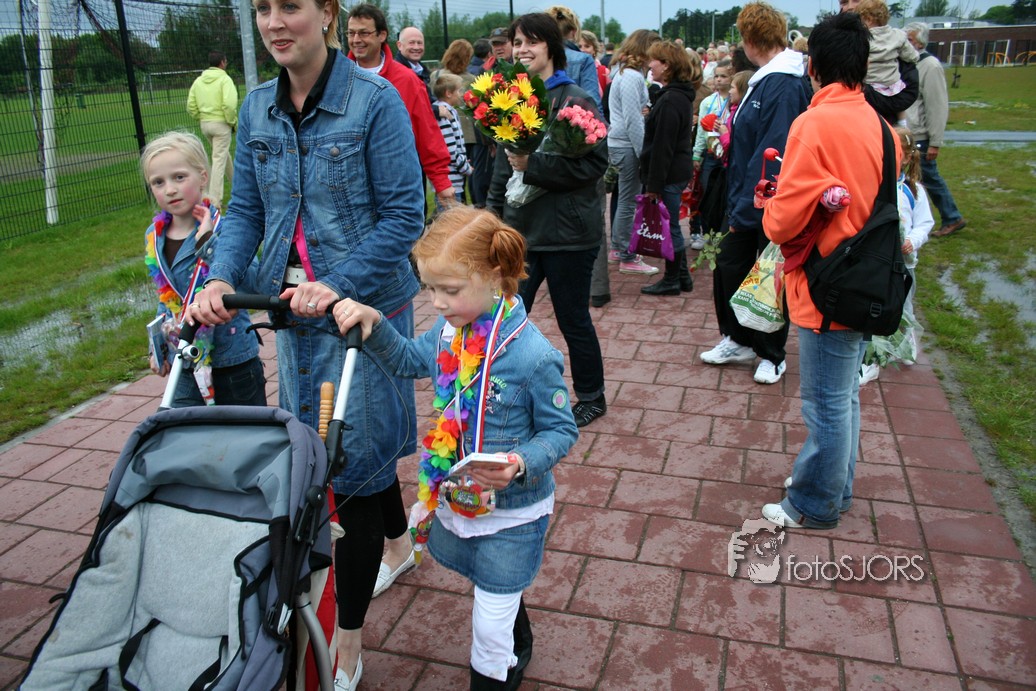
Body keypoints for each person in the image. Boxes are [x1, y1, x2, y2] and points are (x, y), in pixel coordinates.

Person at [188, 0, 425, 686]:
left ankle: (347, 642)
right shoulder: (258, 108)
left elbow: (404, 216)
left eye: (289, 5)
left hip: (361, 314)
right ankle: (400, 544)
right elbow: (245, 209)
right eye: (262, 7)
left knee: (349, 470)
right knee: (331, 455)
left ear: (326, 13)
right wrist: (222, 275)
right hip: (292, 316)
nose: (273, 21)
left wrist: (336, 284)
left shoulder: (374, 103)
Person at [331, 206, 579, 691]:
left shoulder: (532, 356)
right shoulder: (448, 333)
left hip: (513, 512)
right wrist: (375, 322)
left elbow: (561, 431)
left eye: (449, 289)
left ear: (495, 277)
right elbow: (408, 359)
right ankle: (515, 624)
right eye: (429, 289)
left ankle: (496, 667)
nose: (437, 302)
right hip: (462, 499)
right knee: (491, 581)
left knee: (488, 632)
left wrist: (520, 462)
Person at [759, 11, 902, 529]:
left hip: (828, 282)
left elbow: (782, 223)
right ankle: (834, 488)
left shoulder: (813, 124)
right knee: (843, 398)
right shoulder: (883, 128)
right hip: (870, 278)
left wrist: (771, 206)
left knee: (825, 404)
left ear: (814, 67)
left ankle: (814, 503)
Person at [486, 14, 609, 429]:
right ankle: (502, 391)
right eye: (517, 42)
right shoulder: (513, 98)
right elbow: (503, 168)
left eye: (531, 42)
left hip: (568, 236)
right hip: (521, 233)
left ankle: (591, 396)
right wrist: (491, 220)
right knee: (504, 316)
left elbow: (595, 166)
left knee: (572, 319)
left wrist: (533, 165)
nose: (522, 49)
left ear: (552, 47)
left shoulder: (576, 99)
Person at [699, 2, 810, 386]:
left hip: (766, 202)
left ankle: (771, 353)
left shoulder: (784, 82)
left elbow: (773, 151)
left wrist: (751, 206)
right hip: (746, 198)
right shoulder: (767, 78)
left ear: (750, 39)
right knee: (731, 265)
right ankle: (739, 338)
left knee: (768, 275)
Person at [141, 131, 265, 408]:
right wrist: (158, 347)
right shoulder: (155, 236)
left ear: (203, 177)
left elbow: (254, 283)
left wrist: (208, 242)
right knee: (182, 428)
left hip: (231, 359)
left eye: (179, 177)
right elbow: (168, 298)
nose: (169, 189)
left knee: (244, 431)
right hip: (185, 356)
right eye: (158, 182)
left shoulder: (228, 230)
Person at [346, 3, 455, 210]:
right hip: (350, 189)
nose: (356, 40)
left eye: (364, 33)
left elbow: (426, 131)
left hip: (398, 187)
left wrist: (441, 181)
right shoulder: (337, 78)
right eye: (351, 33)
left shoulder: (407, 79)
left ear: (382, 35)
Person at [859, 125, 932, 385]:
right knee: (875, 308)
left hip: (903, 264)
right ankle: (872, 360)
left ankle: (906, 339)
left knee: (904, 305)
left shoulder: (913, 191)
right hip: (876, 262)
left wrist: (913, 240)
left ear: (908, 157)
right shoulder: (871, 185)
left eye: (894, 152)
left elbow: (925, 223)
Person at [638, 40, 697, 297]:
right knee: (670, 224)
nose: (650, 64)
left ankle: (672, 279)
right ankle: (682, 277)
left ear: (667, 65)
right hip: (674, 171)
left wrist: (654, 185)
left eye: (655, 60)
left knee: (669, 227)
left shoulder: (671, 99)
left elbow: (663, 146)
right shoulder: (674, 96)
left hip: (669, 173)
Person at [604, 29, 661, 276]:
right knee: (628, 201)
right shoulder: (631, 76)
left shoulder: (626, 73)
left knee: (626, 199)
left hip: (622, 142)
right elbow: (632, 120)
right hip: (626, 144)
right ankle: (626, 254)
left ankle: (619, 248)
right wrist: (643, 153)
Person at [904, 21, 967, 238]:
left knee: (929, 178)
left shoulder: (930, 66)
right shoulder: (910, 64)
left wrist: (935, 142)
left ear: (920, 43)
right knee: (915, 178)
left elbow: (937, 106)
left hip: (921, 135)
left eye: (909, 40)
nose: (905, 44)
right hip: (909, 132)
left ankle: (952, 217)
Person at [186, 51, 237, 206]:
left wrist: (201, 117)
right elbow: (229, 105)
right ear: (222, 62)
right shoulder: (225, 79)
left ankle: (237, 184)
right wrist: (232, 122)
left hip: (205, 124)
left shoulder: (198, 81)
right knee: (218, 160)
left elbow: (191, 105)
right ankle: (214, 200)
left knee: (222, 155)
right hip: (221, 124)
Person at [855, 0, 918, 126]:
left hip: (870, 83)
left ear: (868, 20)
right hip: (892, 82)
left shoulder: (861, 38)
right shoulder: (897, 35)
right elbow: (911, 56)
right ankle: (902, 122)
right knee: (899, 101)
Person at [692, 57, 733, 242]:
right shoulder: (708, 102)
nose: (719, 80)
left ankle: (721, 233)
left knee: (724, 194)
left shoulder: (735, 101)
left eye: (723, 76)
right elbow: (701, 131)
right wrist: (696, 154)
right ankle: (706, 230)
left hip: (728, 154)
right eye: (716, 76)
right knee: (706, 192)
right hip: (710, 155)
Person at [545, 5, 603, 110]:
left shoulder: (539, 57)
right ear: (574, 32)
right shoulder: (584, 60)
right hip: (573, 118)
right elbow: (592, 104)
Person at [431, 72, 474, 206]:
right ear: (448, 93)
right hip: (450, 180)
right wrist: (466, 168)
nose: (461, 94)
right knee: (450, 214)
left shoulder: (450, 111)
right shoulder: (444, 114)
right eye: (459, 90)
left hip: (454, 177)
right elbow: (449, 150)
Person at [579, 29, 609, 95]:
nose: (582, 50)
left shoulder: (604, 72)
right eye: (579, 46)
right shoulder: (569, 71)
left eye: (587, 46)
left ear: (594, 50)